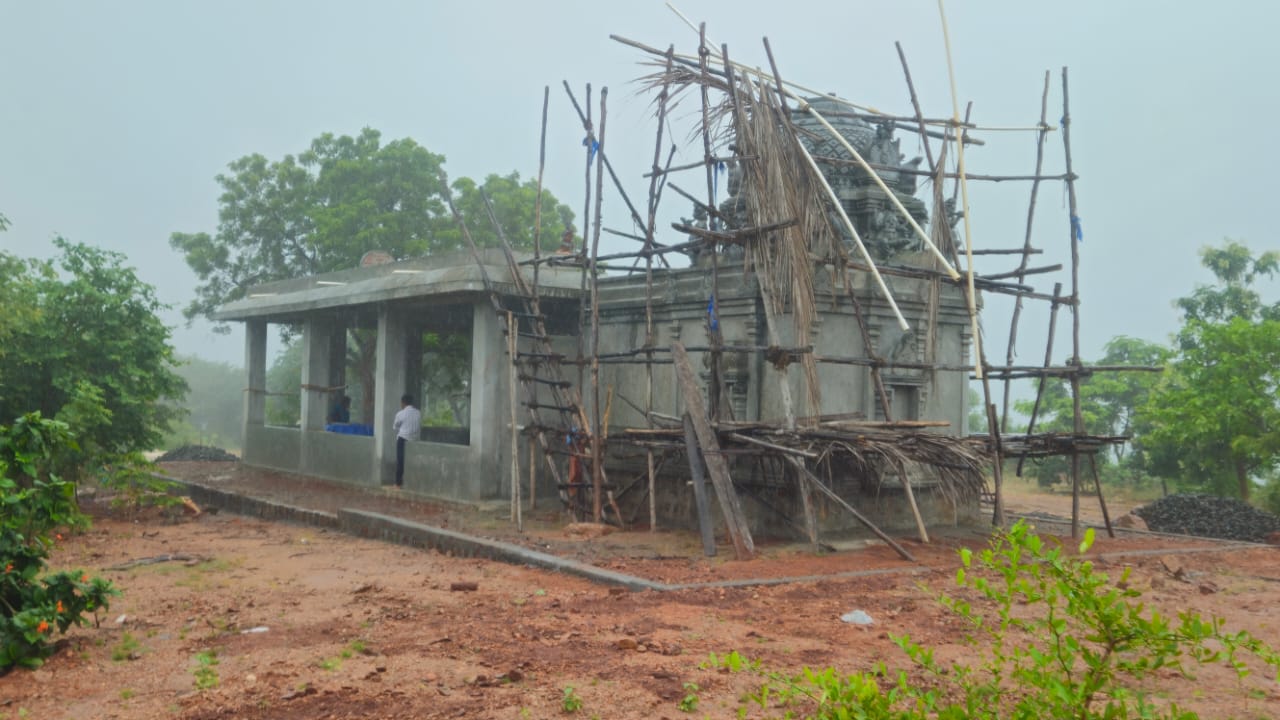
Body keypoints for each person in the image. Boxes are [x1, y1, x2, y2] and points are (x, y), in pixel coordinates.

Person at [392, 393, 421, 488]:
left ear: (403, 403)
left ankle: (398, 484)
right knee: (413, 461)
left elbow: (395, 426)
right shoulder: (418, 413)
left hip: (403, 439)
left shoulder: (400, 413)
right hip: (414, 441)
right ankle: (414, 483)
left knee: (400, 461)